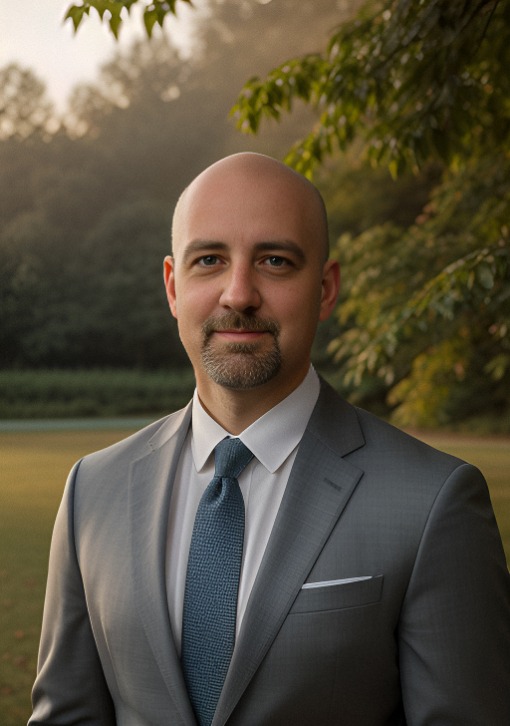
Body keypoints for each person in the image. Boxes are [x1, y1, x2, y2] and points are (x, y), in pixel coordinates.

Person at [30, 152, 510, 726]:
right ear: (173, 286)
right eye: (209, 260)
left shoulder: (434, 502)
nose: (239, 294)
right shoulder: (93, 489)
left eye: (275, 261)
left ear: (326, 289)